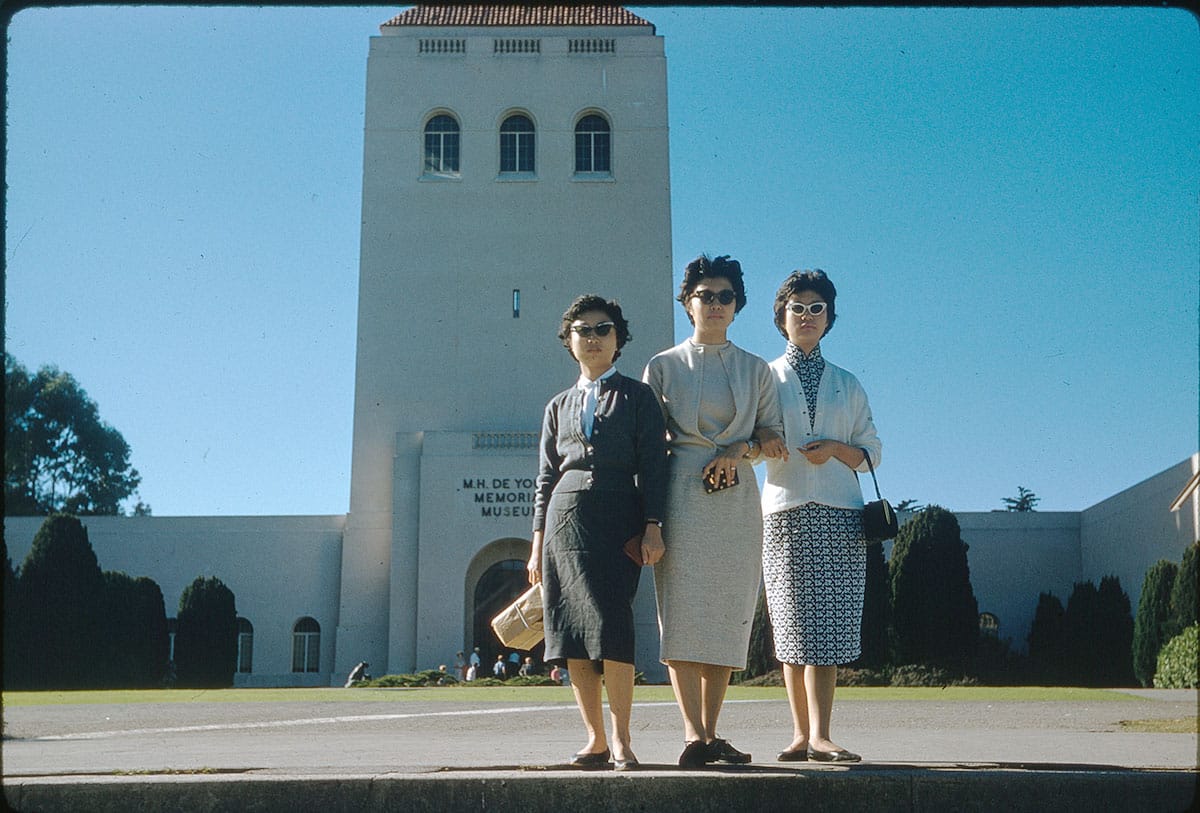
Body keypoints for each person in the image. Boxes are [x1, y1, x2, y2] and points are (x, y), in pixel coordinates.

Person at [642, 254, 787, 768]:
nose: (716, 304)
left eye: (726, 296)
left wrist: (739, 450)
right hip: (680, 494)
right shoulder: (661, 366)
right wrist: (650, 520)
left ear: (737, 305)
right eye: (706, 295)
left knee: (727, 613)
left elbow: (774, 436)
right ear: (687, 303)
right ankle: (693, 736)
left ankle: (713, 732)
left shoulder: (756, 370)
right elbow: (648, 447)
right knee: (681, 613)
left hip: (736, 500)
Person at [528, 294, 668, 772]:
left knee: (612, 624)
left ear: (618, 339)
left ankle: (623, 740)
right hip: (562, 526)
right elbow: (545, 478)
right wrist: (535, 544)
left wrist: (653, 525)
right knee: (570, 631)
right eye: (582, 330)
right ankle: (594, 740)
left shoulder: (637, 396)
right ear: (569, 341)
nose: (592, 337)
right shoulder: (557, 405)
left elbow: (654, 465)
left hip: (617, 520)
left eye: (602, 329)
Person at [760, 269, 882, 764]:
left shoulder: (848, 384)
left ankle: (822, 735)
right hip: (785, 512)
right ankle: (797, 732)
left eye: (816, 308)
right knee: (791, 626)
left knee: (829, 629)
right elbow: (752, 441)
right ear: (782, 317)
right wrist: (766, 446)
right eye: (797, 307)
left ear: (828, 318)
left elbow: (872, 451)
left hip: (841, 515)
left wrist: (835, 448)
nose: (807, 316)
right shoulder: (764, 377)